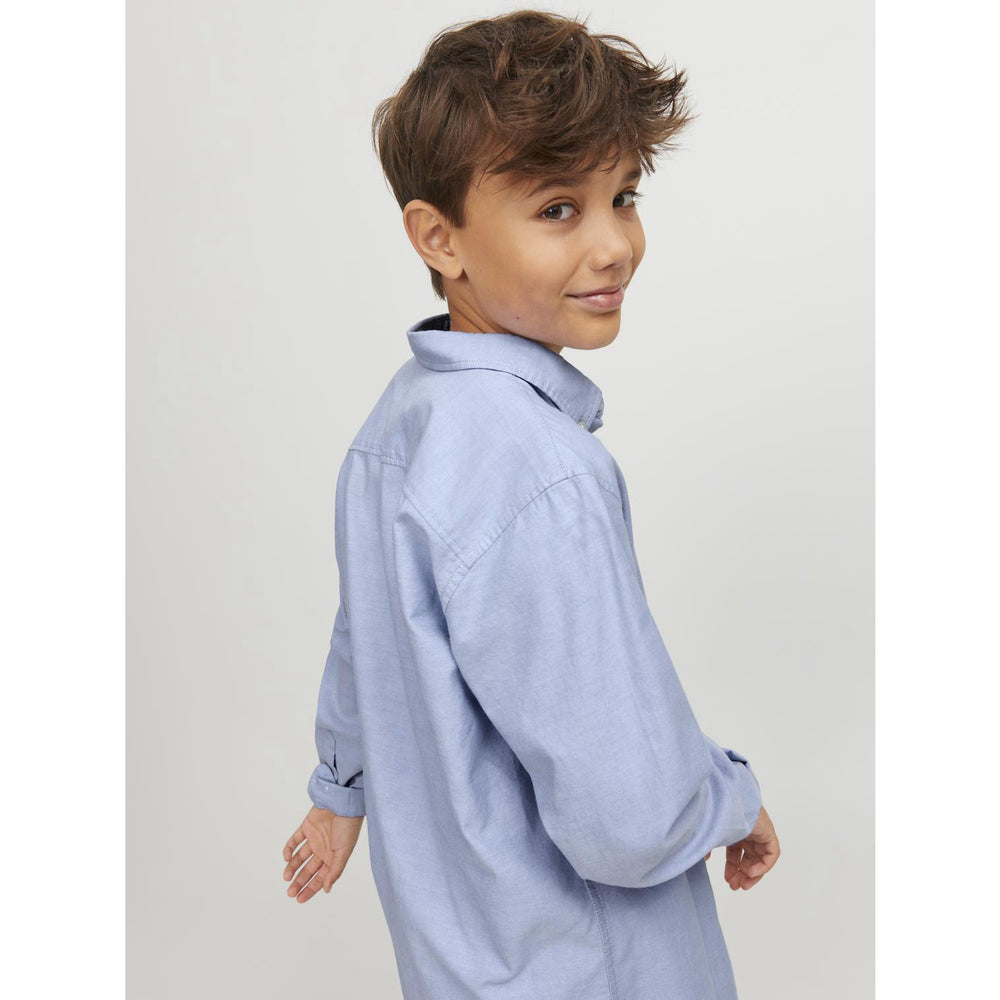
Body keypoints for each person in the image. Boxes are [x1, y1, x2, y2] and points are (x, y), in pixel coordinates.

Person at [281, 9, 780, 998]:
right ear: (439, 237)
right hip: (596, 966)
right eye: (558, 208)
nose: (614, 244)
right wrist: (730, 797)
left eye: (622, 196)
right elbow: (630, 813)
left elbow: (363, 634)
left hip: (465, 964)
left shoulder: (397, 427)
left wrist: (341, 788)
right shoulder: (542, 472)